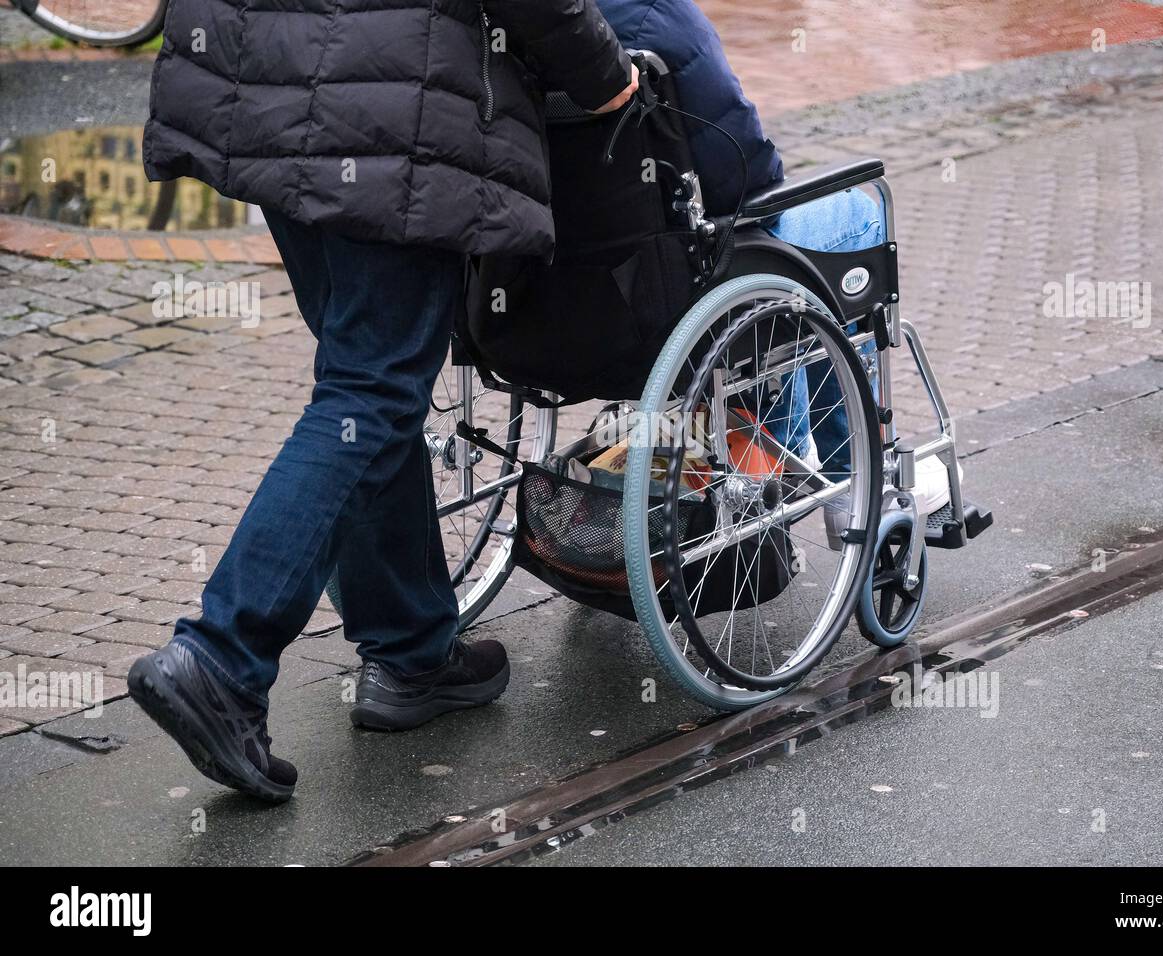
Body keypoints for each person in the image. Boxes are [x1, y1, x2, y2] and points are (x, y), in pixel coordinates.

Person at [127, 1, 639, 803]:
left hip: (270, 77)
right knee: (370, 387)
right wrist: (607, 77)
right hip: (390, 98)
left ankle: (412, 650)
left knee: (367, 387)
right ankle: (222, 660)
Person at [598, 0, 894, 546]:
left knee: (778, 259)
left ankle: (795, 436)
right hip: (681, 276)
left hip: (583, 287)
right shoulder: (661, 20)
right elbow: (748, 175)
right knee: (858, 216)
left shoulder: (525, 28)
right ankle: (851, 476)